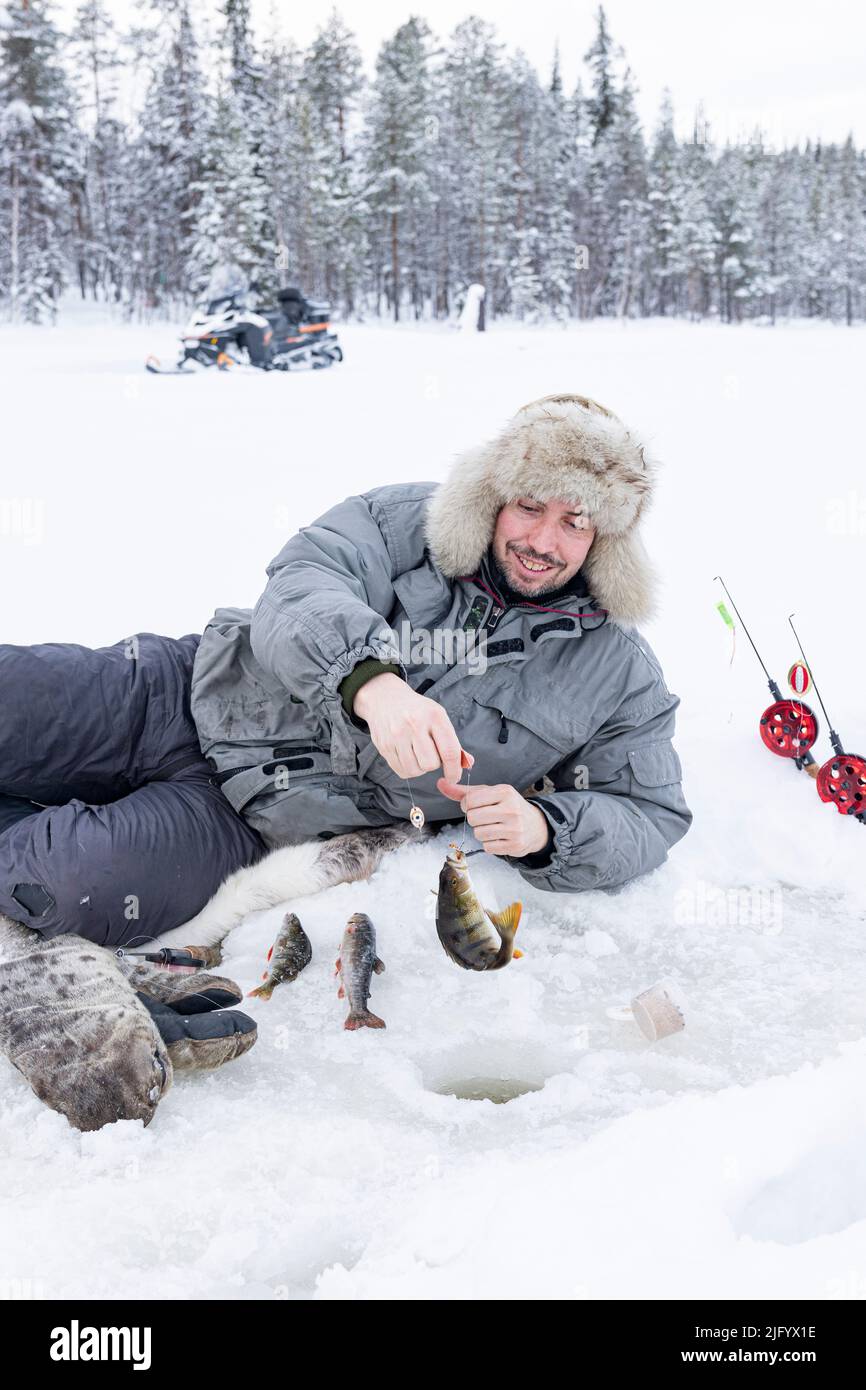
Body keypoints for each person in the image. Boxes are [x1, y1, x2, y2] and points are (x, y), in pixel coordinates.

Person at [0, 393, 691, 1129]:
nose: (543, 540)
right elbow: (303, 582)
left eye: (575, 522)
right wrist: (373, 684)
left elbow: (649, 811)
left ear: (606, 538)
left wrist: (549, 828)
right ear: (493, 493)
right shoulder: (402, 521)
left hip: (245, 818)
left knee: (56, 884)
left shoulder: (619, 673)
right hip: (184, 688)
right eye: (529, 506)